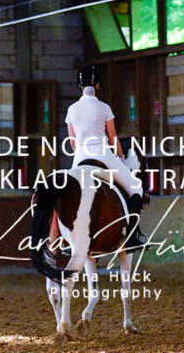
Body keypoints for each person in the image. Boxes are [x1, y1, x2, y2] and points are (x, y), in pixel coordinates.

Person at [48, 65, 148, 254]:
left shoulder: (71, 110)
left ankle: (66, 240)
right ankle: (131, 237)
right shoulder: (104, 108)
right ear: (98, 85)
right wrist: (120, 157)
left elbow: (73, 143)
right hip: (103, 156)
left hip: (80, 158)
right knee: (136, 188)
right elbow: (113, 138)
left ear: (79, 85)